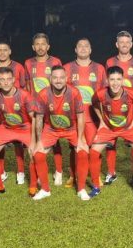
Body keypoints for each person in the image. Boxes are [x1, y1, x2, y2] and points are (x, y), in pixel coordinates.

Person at [32, 66, 91, 201]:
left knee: (82, 152)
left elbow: (80, 116)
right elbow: (39, 118)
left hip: (71, 129)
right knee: (38, 154)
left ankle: (81, 189)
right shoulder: (43, 94)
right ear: (50, 79)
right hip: (51, 129)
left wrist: (81, 139)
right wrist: (39, 140)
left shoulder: (74, 92)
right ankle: (45, 189)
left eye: (61, 77)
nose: (58, 80)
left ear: (66, 79)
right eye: (55, 77)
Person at [90, 65, 133, 198]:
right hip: (109, 129)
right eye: (112, 79)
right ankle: (96, 187)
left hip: (128, 128)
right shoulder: (100, 94)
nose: (115, 83)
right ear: (107, 81)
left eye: (118, 79)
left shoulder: (131, 93)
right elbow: (94, 104)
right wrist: (102, 121)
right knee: (93, 152)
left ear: (123, 80)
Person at [0, 66, 38, 196]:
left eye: (9, 79)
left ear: (14, 79)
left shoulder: (24, 95)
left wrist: (33, 141)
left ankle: (33, 185)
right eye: (2, 79)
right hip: (7, 127)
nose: (6, 82)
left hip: (25, 127)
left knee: (33, 153)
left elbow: (34, 118)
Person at [104, 30, 133, 185]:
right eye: (121, 42)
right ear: (117, 44)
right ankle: (111, 172)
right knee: (111, 140)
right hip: (113, 107)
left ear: (131, 44)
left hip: (131, 108)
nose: (124, 44)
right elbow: (107, 83)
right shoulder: (109, 62)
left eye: (127, 42)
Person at [63, 38, 106, 189]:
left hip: (92, 117)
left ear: (90, 49)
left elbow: (104, 94)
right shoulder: (67, 68)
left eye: (86, 46)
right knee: (74, 147)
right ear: (75, 49)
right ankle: (73, 175)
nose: (83, 48)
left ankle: (96, 175)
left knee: (95, 147)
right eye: (79, 46)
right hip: (74, 117)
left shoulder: (99, 68)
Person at [0, 39, 28, 185]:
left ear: (10, 51)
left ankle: (20, 171)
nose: (2, 52)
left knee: (18, 143)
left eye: (5, 50)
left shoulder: (19, 67)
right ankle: (1, 172)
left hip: (16, 110)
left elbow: (23, 88)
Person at [24, 33, 64, 184]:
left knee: (56, 139)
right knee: (38, 138)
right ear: (33, 47)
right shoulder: (28, 63)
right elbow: (28, 86)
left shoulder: (56, 61)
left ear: (48, 46)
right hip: (37, 107)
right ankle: (41, 174)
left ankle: (59, 172)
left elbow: (60, 82)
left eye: (43, 44)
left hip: (53, 107)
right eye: (37, 44)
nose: (40, 47)